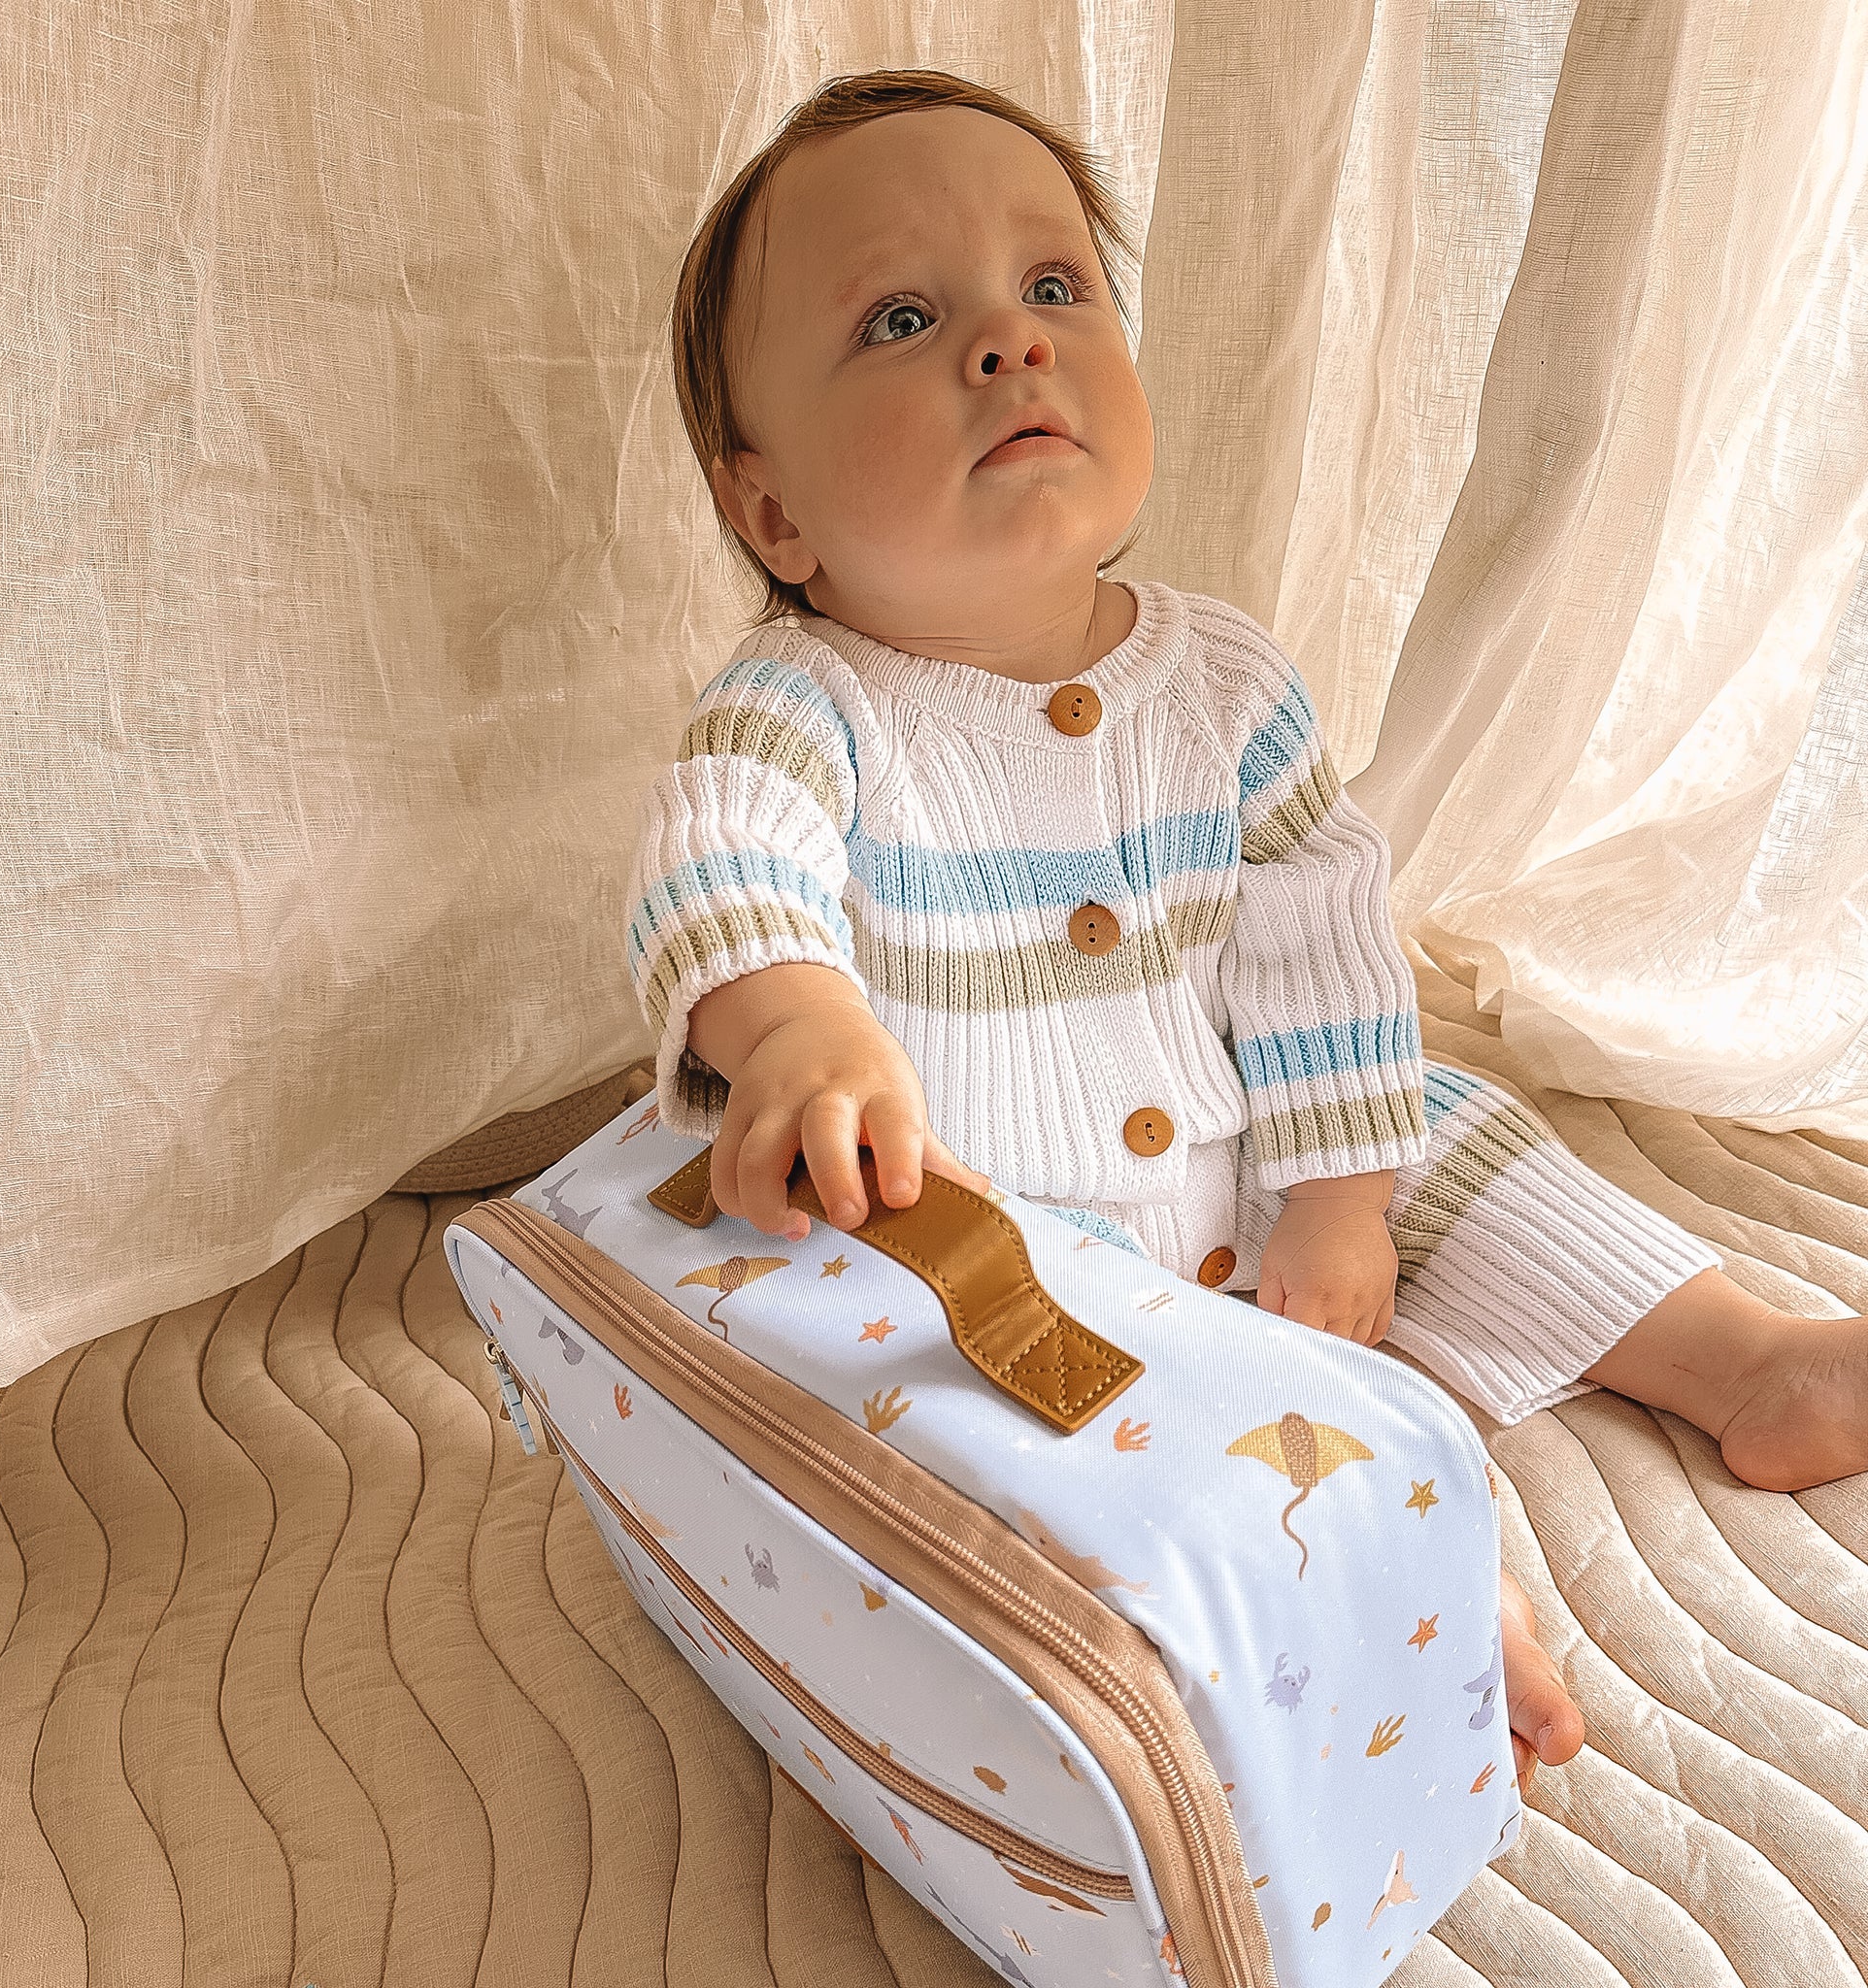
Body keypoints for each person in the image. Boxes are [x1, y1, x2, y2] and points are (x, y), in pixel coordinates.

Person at [628, 68, 1867, 1803]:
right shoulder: (805, 703)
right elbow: (723, 867)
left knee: (1435, 1113)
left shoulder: (1222, 682)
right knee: (1105, 1438)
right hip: (1005, 1245)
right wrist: (800, 1031)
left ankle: (1746, 1359)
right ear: (773, 515)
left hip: (1250, 1160)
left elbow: (1320, 953)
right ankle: (1430, 1596)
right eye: (904, 319)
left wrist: (1343, 1192)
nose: (1010, 344)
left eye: (1052, 287)